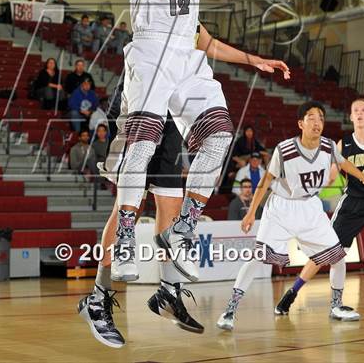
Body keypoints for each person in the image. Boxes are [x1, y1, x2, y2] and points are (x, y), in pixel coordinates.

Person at [112, 0, 294, 283]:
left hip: (187, 55)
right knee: (142, 147)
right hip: (151, 52)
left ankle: (183, 231)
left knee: (217, 138)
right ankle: (125, 244)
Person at [78, 22, 291, 348]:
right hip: (141, 100)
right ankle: (99, 296)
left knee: (171, 205)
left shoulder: (188, 8)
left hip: (173, 110)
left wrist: (253, 61)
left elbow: (210, 43)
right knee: (126, 211)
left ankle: (168, 291)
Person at [216, 101, 364, 332]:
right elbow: (266, 182)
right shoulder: (285, 149)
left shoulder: (329, 146)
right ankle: (230, 309)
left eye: (320, 118)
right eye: (311, 117)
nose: (317, 122)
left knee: (338, 256)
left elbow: (344, 163)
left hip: (310, 208)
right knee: (258, 257)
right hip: (281, 209)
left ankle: (336, 306)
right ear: (301, 123)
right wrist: (250, 213)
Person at [275, 97, 364, 321]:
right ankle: (293, 294)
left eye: (363, 110)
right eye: (355, 110)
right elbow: (332, 174)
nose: (359, 113)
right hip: (353, 204)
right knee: (330, 253)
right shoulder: (343, 144)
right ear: (350, 116)